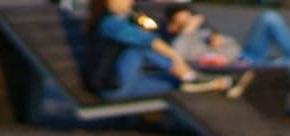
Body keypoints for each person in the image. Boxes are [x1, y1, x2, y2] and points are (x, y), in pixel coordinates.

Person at [162, 4, 290, 108]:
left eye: (190, 18)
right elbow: (178, 56)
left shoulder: (203, 32)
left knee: (269, 17)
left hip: (244, 55)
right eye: (183, 21)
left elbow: (231, 46)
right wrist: (186, 31)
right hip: (238, 68)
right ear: (173, 27)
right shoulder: (178, 42)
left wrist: (221, 41)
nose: (190, 22)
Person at [84, 0, 231, 100]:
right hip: (111, 86)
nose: (131, 2)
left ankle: (198, 81)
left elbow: (153, 36)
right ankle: (192, 76)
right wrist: (177, 59)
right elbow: (148, 41)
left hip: (129, 83)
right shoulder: (109, 23)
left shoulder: (126, 18)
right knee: (140, 49)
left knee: (177, 84)